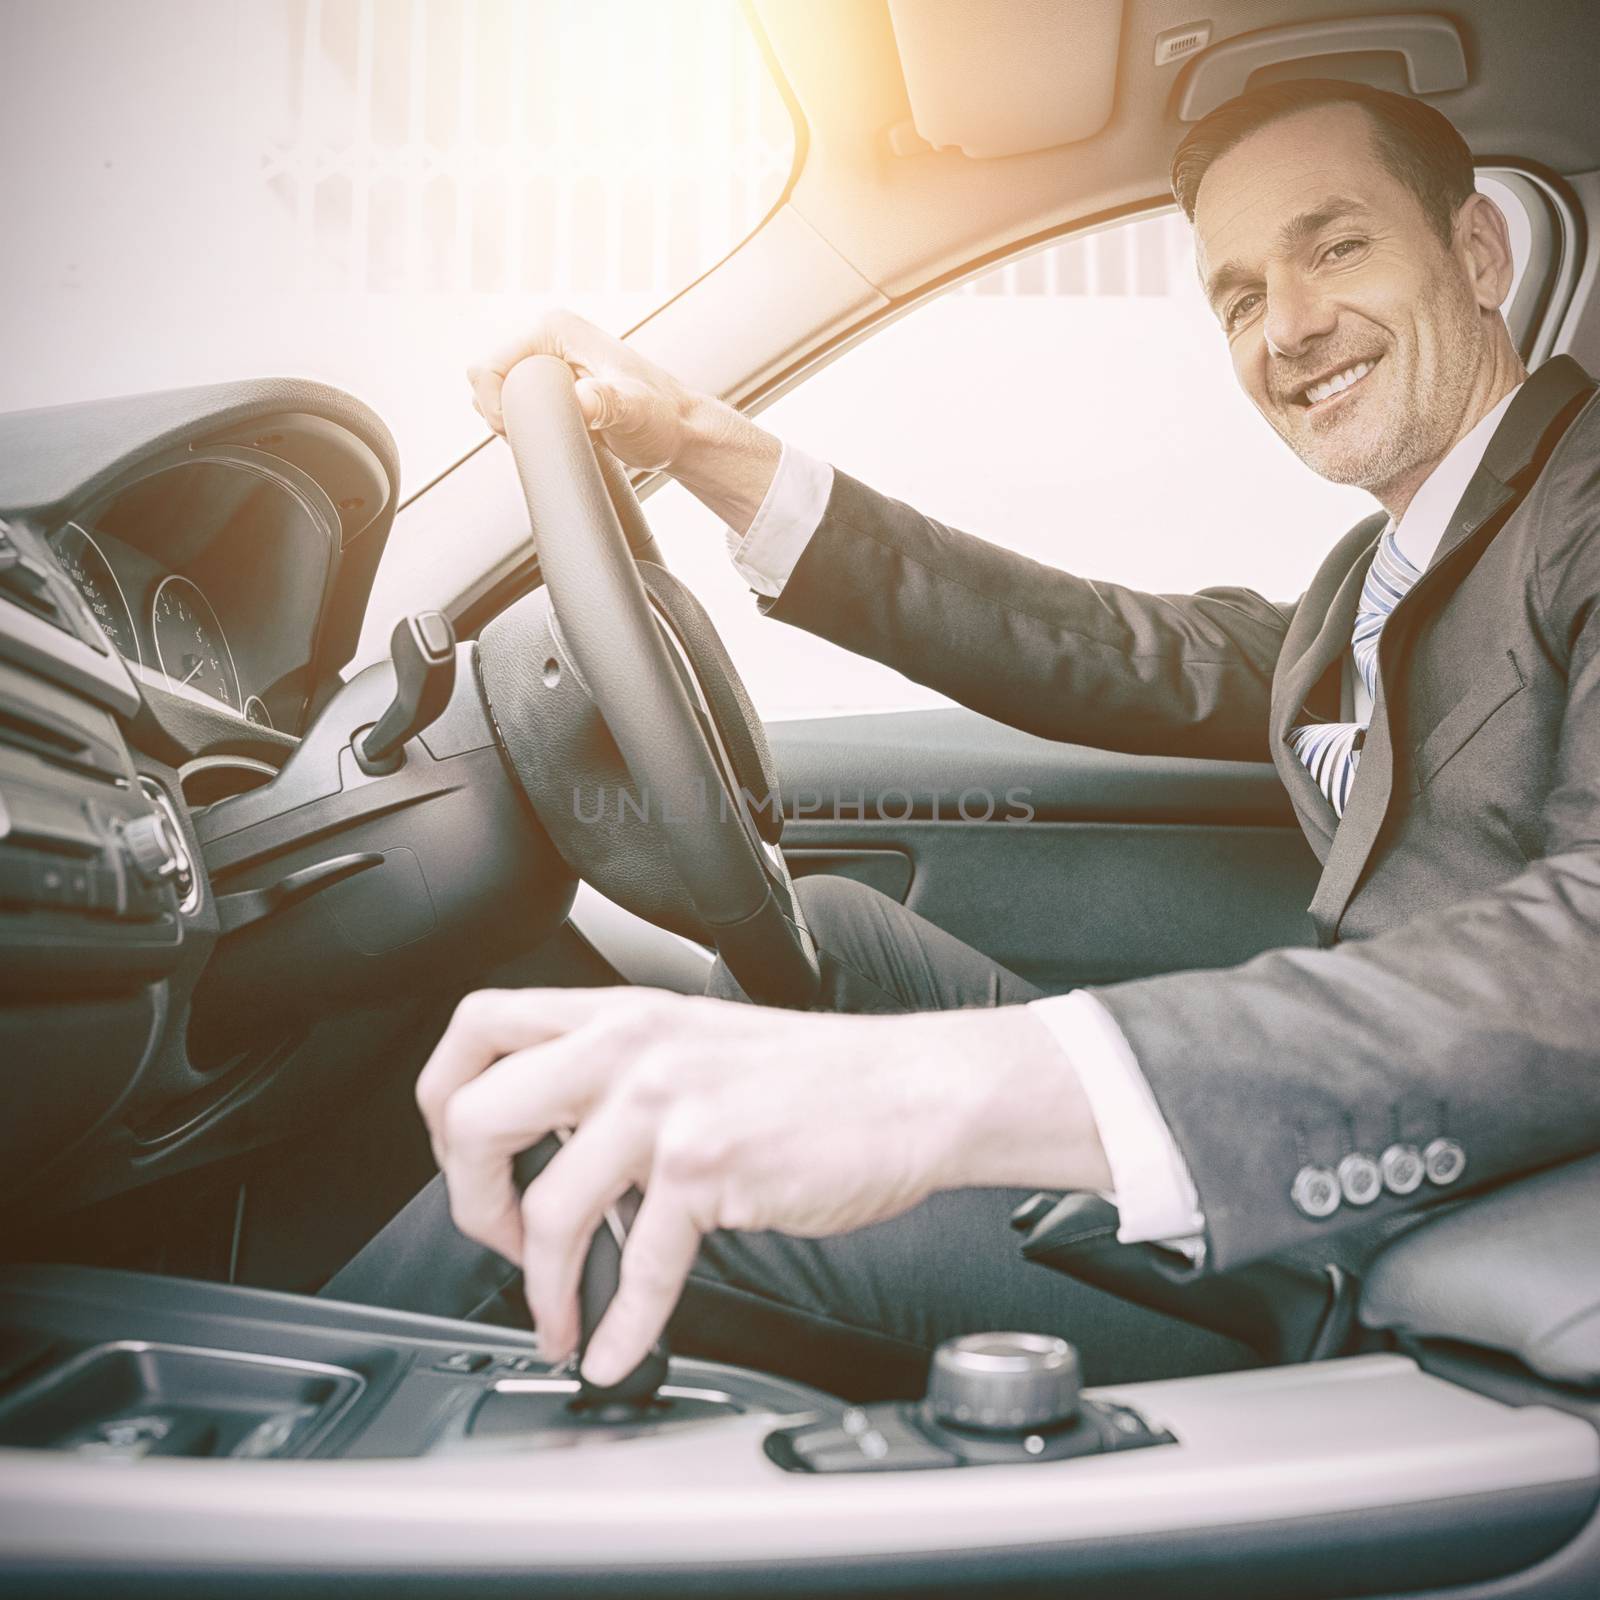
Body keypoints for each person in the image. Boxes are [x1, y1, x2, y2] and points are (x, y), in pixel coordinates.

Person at [325, 80, 1600, 1399]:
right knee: (834, 937)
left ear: (1479, 253)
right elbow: (1101, 647)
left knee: (579, 1188)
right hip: (1341, 1156)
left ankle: (241, 1476)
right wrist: (695, 441)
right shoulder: (1372, 575)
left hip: (1434, 1225)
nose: (1288, 325)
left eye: (1337, 246)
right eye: (1236, 295)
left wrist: (947, 1095)